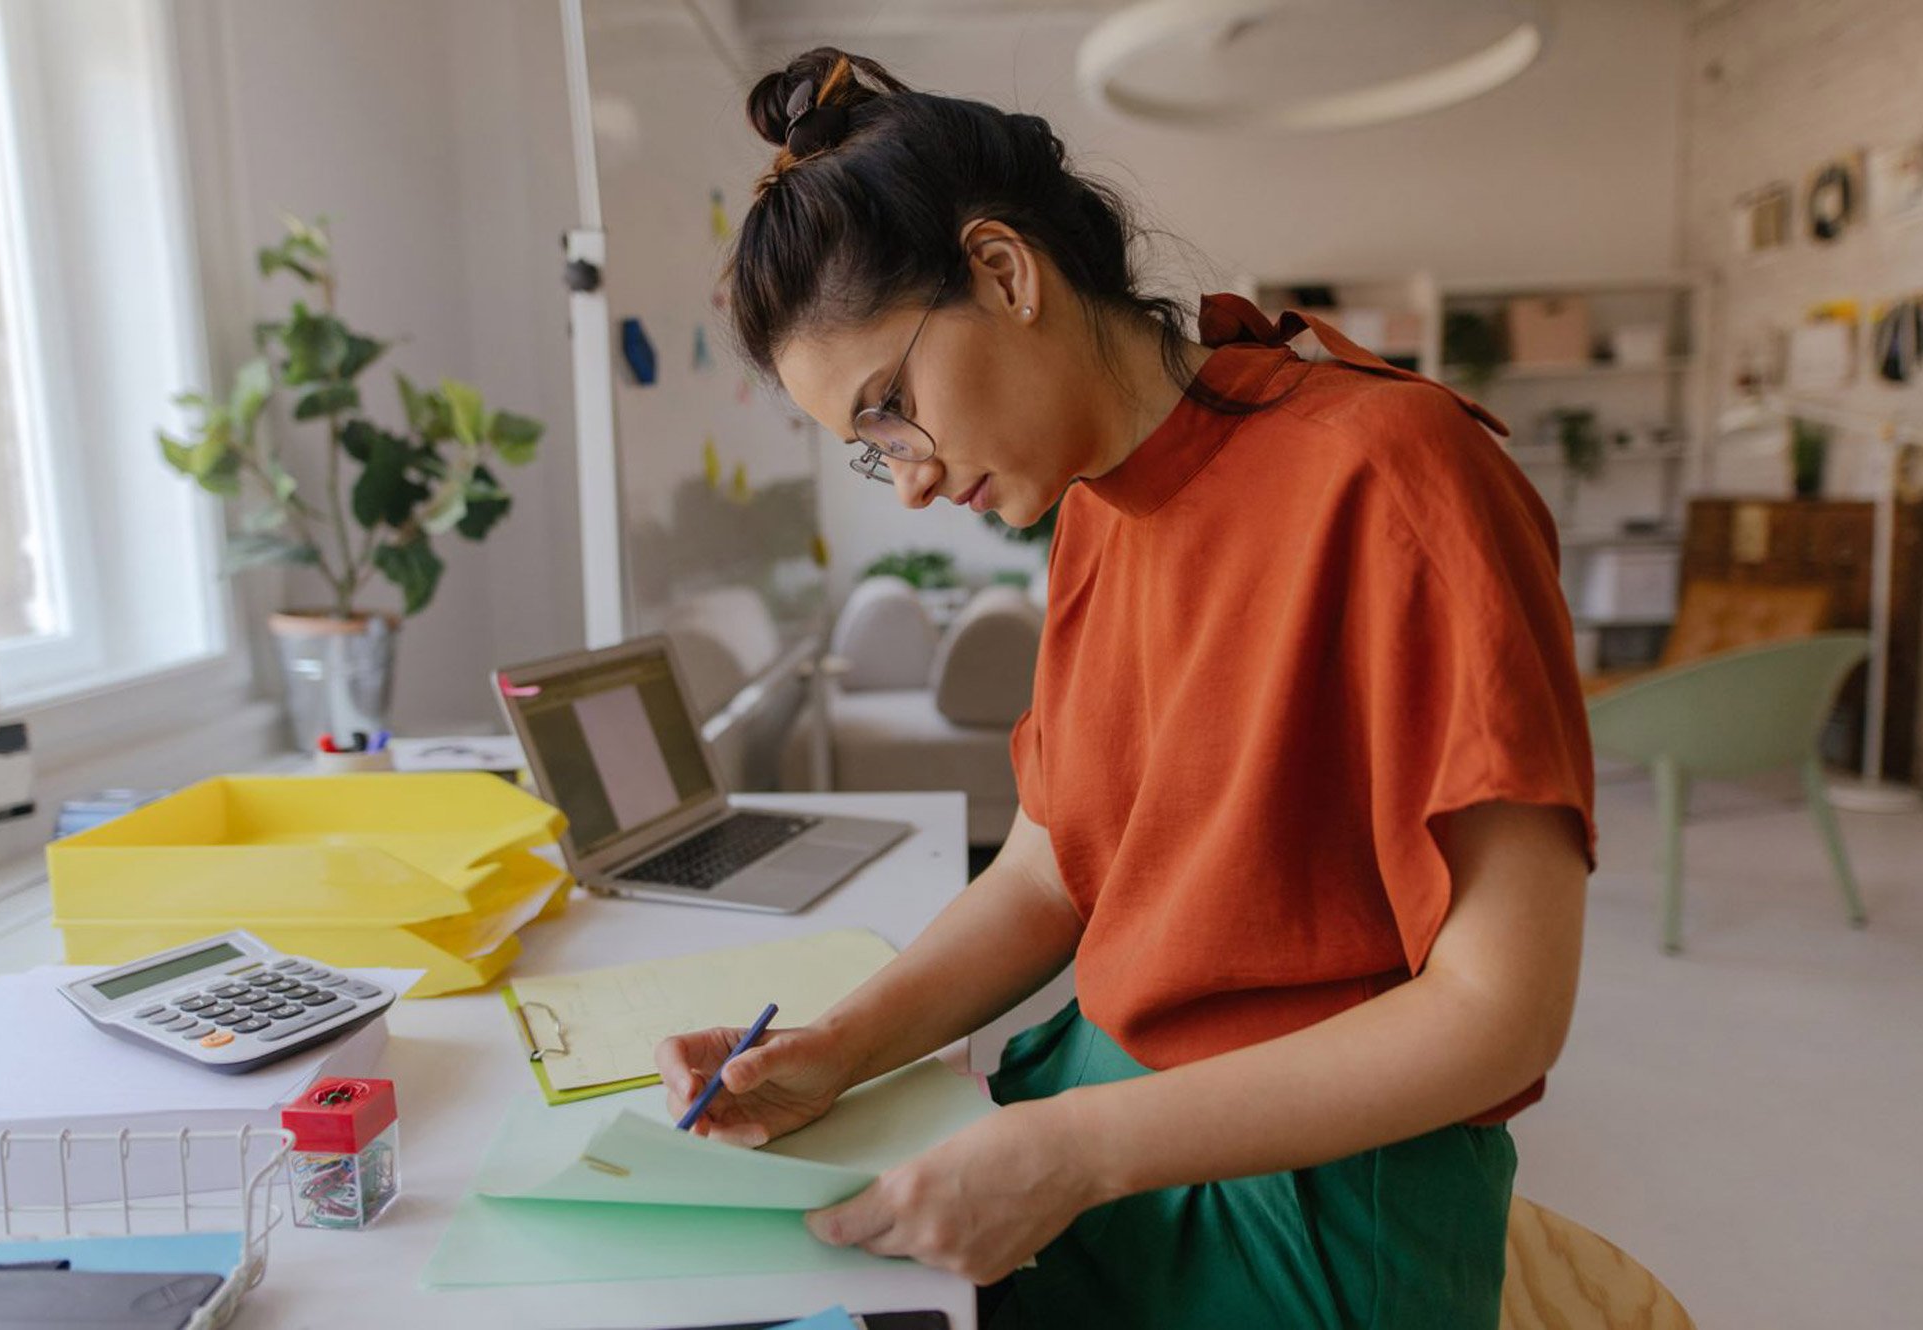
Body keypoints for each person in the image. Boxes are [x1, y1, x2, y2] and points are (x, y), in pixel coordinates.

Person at [654, 46, 1596, 1329]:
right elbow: (1053, 872)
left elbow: (1503, 1014)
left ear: (1004, 270)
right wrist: (837, 1048)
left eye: (893, 408)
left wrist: (1080, 1152)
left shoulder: (1391, 475)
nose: (913, 476)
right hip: (1110, 1128)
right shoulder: (1094, 510)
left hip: (1311, 1203)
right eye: (874, 453)